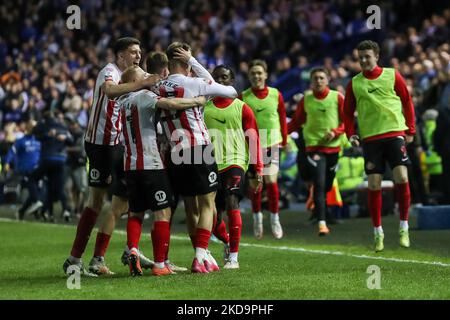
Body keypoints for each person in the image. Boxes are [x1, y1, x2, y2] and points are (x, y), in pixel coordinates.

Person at [63, 37, 160, 276]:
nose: (138, 56)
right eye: (133, 52)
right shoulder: (110, 71)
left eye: (140, 52)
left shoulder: (133, 74)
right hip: (100, 145)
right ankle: (74, 260)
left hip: (119, 144)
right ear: (120, 55)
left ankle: (111, 254)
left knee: (126, 199)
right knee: (96, 202)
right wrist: (142, 83)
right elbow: (109, 90)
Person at [118, 65, 206, 276]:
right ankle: (159, 265)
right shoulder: (144, 95)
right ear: (134, 80)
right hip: (151, 164)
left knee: (136, 212)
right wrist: (196, 101)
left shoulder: (122, 102)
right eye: (143, 74)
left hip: (130, 165)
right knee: (163, 212)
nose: (148, 76)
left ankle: (133, 250)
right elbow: (170, 103)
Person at [158, 42, 238, 273]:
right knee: (207, 204)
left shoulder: (159, 87)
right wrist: (194, 61)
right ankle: (199, 257)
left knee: (191, 206)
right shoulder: (194, 83)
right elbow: (230, 91)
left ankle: (202, 254)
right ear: (184, 60)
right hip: (198, 148)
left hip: (175, 151)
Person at [343, 40, 416, 252]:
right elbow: (347, 113)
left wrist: (410, 129)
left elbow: (407, 100)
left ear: (377, 56)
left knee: (402, 177)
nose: (364, 60)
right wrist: (351, 133)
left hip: (394, 133)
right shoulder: (354, 83)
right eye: (361, 57)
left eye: (367, 56)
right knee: (374, 185)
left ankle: (404, 226)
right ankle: (378, 232)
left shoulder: (393, 75)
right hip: (371, 139)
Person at [204, 65, 263, 269]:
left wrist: (257, 169)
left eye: (225, 77)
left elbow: (253, 138)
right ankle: (228, 241)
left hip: (235, 162)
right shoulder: (204, 107)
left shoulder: (242, 107)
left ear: (232, 81)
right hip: (210, 164)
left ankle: (234, 258)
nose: (221, 81)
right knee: (211, 218)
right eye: (217, 77)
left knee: (232, 202)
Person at [288, 67, 345, 236]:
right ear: (311, 82)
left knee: (327, 185)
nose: (318, 81)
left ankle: (319, 209)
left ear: (327, 80)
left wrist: (335, 132)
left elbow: (346, 122)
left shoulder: (337, 98)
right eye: (315, 79)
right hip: (314, 148)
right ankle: (322, 223)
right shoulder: (306, 100)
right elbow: (296, 122)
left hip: (333, 148)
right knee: (319, 184)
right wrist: (280, 133)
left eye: (321, 78)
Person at [240, 59, 287, 239]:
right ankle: (257, 218)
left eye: (259, 73)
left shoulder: (276, 94)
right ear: (249, 76)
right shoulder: (244, 97)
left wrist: (285, 139)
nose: (256, 76)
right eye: (253, 73)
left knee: (271, 181)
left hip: (272, 143)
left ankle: (275, 219)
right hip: (251, 146)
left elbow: (282, 118)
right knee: (256, 185)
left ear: (266, 75)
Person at [33, 109, 73, 222]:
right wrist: (64, 137)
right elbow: (71, 140)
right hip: (61, 160)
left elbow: (35, 133)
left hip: (48, 159)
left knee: (35, 179)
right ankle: (61, 210)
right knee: (57, 188)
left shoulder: (45, 125)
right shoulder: (63, 127)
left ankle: (38, 202)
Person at [3, 119, 42, 220]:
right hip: (26, 171)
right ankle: (37, 207)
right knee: (34, 191)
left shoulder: (38, 141)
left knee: (35, 191)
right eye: (33, 126)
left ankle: (22, 211)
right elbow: (12, 152)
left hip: (38, 170)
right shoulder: (21, 141)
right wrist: (7, 162)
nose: (35, 128)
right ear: (28, 127)